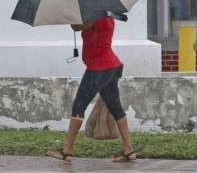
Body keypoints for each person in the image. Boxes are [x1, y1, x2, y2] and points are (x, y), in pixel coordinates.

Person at [47, 17, 136, 162]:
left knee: (78, 106)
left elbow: (76, 27)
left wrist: (70, 14)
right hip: (110, 66)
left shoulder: (97, 18)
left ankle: (66, 151)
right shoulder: (108, 17)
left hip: (99, 68)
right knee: (115, 107)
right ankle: (129, 150)